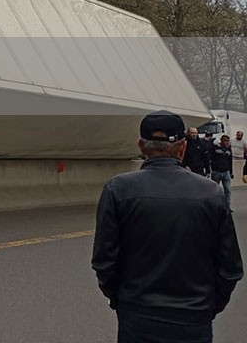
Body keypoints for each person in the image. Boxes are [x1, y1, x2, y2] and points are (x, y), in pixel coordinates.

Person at [92, 110, 242, 343]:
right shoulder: (211, 193)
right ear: (182, 148)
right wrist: (208, 307)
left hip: (137, 314)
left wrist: (121, 300)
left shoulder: (117, 189)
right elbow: (230, 267)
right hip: (194, 318)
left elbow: (104, 260)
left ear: (141, 146)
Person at [212, 135, 235, 208]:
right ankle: (215, 206)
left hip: (226, 172)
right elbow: (210, 158)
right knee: (215, 190)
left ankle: (227, 206)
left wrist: (231, 172)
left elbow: (230, 161)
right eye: (225, 140)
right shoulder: (215, 148)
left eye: (228, 141)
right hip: (216, 171)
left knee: (228, 190)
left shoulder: (229, 149)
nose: (226, 142)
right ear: (221, 140)